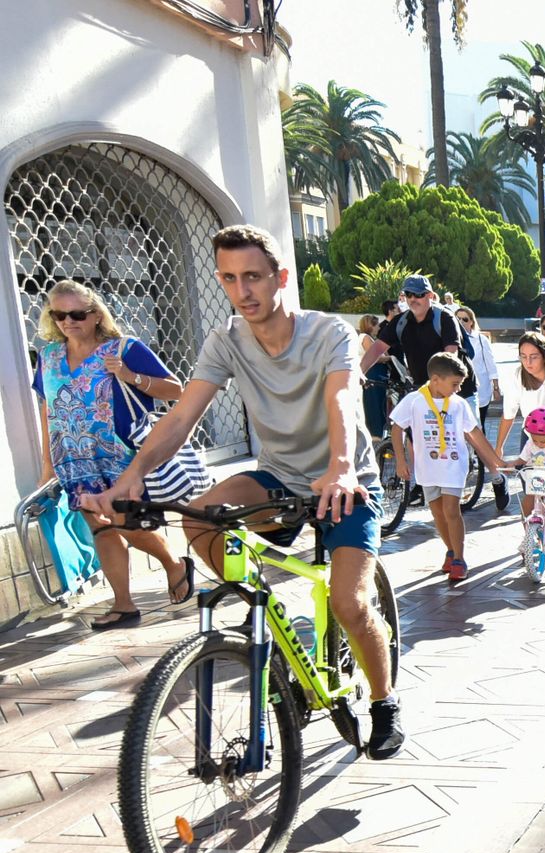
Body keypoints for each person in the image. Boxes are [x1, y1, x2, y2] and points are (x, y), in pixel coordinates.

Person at [83, 224, 404, 759]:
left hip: (346, 482)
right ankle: (269, 627)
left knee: (350, 605)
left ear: (280, 278)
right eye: (230, 279)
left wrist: (343, 467)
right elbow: (183, 415)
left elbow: (342, 401)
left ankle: (384, 700)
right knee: (201, 518)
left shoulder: (328, 334)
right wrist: (132, 475)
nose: (243, 291)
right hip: (278, 474)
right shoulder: (226, 340)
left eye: (253, 276)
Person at [32, 280, 196, 629]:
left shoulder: (124, 349)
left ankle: (174, 564)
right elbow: (47, 411)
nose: (68, 322)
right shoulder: (48, 358)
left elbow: (176, 390)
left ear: (94, 315)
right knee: (101, 530)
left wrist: (129, 375)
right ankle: (123, 605)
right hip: (74, 461)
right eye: (59, 314)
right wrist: (48, 465)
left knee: (127, 524)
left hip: (120, 459)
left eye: (76, 314)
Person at [389, 353, 508, 583]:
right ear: (435, 380)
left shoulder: (458, 404)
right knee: (437, 512)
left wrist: (495, 461)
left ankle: (460, 559)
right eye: (454, 384)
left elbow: (474, 434)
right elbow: (397, 429)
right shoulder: (414, 400)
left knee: (451, 510)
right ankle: (451, 550)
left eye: (459, 385)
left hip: (453, 465)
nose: (457, 389)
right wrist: (401, 461)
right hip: (427, 467)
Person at [366, 274, 471, 398]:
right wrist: (358, 372)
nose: (412, 299)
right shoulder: (401, 322)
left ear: (430, 296)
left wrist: (436, 385)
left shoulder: (444, 318)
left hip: (455, 390)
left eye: (418, 294)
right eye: (408, 294)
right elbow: (377, 348)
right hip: (420, 390)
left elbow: (450, 355)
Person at [454, 305, 509, 511]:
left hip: (478, 389)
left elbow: (490, 363)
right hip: (455, 390)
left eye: (465, 319)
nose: (462, 323)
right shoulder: (450, 338)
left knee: (478, 430)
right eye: (458, 319)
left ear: (472, 321)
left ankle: (493, 474)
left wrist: (496, 386)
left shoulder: (480, 339)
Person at [494, 331, 545, 457]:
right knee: (526, 471)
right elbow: (508, 414)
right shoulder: (516, 377)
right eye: (523, 356)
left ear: (544, 357)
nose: (528, 362)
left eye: (534, 356)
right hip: (531, 431)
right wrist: (499, 448)